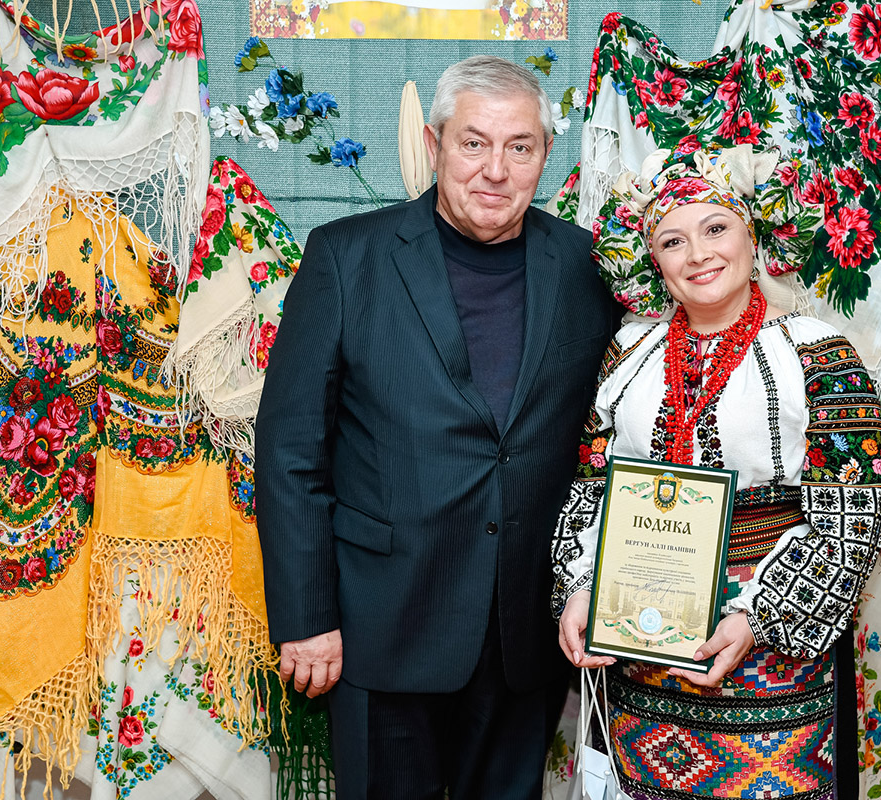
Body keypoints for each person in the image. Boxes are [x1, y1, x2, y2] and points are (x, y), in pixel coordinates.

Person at [255, 55, 615, 799]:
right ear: (434, 143)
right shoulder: (346, 256)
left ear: (547, 155)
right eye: (474, 143)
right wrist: (305, 616)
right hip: (381, 627)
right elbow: (290, 449)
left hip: (525, 636)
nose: (496, 170)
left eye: (520, 147)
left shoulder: (588, 266)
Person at [551, 145, 881, 798]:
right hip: (641, 649)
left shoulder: (818, 353)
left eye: (715, 228)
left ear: (752, 235)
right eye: (672, 240)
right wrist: (582, 588)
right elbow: (592, 486)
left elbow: (854, 518)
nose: (698, 254)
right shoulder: (628, 351)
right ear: (652, 259)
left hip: (767, 661)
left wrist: (757, 619)